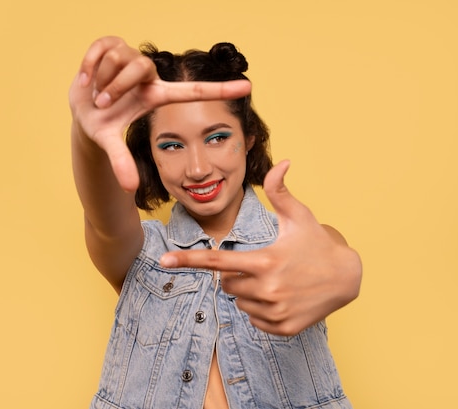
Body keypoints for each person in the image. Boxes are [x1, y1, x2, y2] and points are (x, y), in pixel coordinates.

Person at [69, 36, 362, 409]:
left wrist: (347, 272)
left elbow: (333, 257)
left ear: (249, 136)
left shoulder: (293, 242)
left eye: (217, 137)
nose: (197, 169)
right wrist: (86, 131)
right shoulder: (141, 254)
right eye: (171, 145)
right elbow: (102, 218)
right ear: (151, 155)